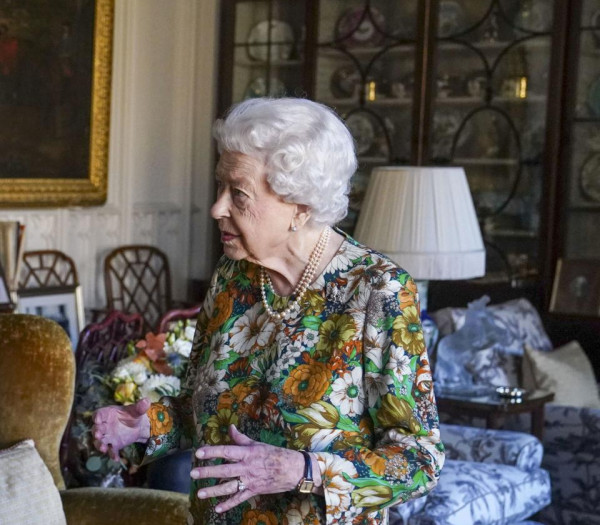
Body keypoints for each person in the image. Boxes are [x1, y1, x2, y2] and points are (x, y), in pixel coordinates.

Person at [93, 98, 442, 524]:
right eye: (220, 187)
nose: (217, 208)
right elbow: (202, 411)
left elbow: (419, 461)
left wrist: (303, 471)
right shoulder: (232, 277)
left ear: (300, 207)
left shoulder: (377, 292)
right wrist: (148, 425)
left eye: (238, 194)